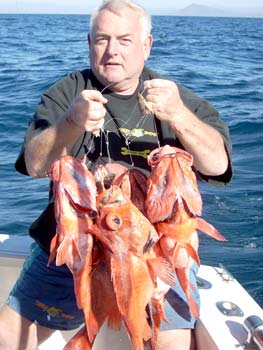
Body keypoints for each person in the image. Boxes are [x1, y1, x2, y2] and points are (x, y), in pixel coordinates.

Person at [0, 0, 232, 349]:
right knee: (7, 336)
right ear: (89, 43)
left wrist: (179, 116)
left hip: (154, 249)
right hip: (75, 244)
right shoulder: (67, 94)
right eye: (101, 39)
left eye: (124, 40)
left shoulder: (173, 97)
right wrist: (71, 122)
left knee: (173, 343)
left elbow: (217, 165)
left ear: (146, 45)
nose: (112, 51)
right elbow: (34, 164)